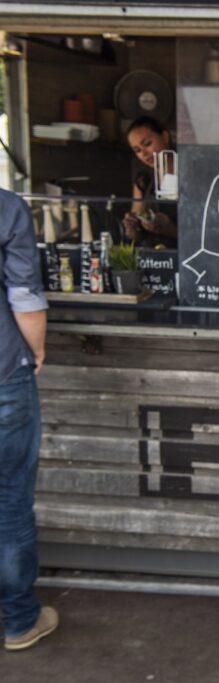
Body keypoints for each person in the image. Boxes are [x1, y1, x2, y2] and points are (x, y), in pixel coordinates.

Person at [0, 189, 59, 651]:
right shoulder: (5, 207)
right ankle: (20, 620)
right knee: (10, 500)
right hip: (4, 373)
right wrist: (35, 348)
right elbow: (23, 293)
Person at [122, 116, 178, 248]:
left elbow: (207, 233)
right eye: (137, 150)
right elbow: (135, 237)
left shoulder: (189, 172)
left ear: (165, 137)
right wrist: (131, 228)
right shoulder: (143, 180)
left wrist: (171, 230)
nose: (144, 153)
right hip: (153, 258)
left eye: (147, 144)